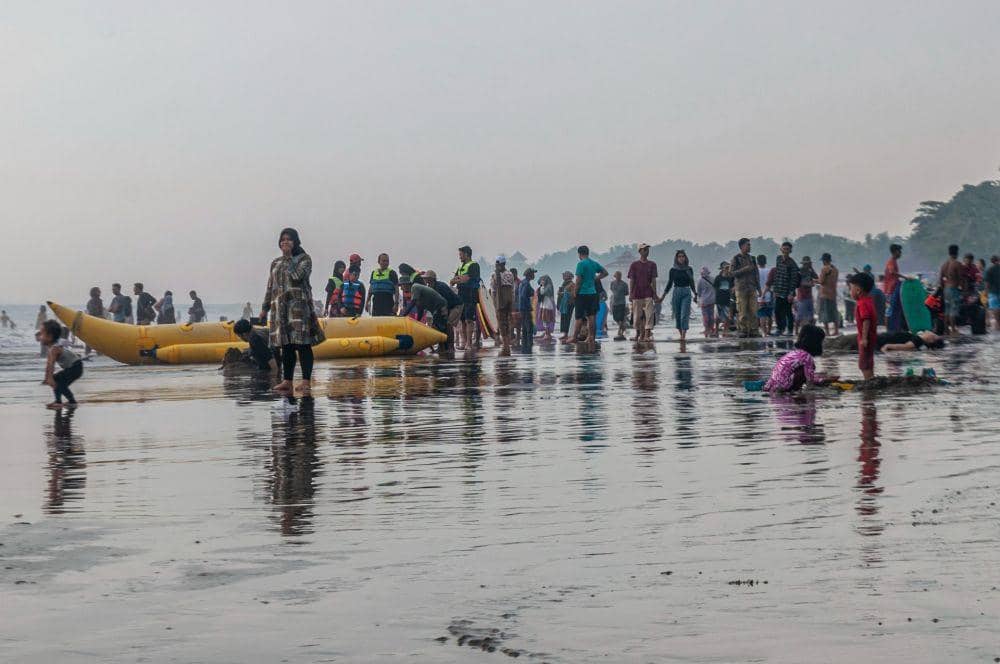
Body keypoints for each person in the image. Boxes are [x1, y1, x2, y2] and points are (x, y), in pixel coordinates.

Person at [260, 228, 325, 394]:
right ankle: (287, 381)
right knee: (286, 345)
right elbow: (270, 287)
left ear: (295, 242)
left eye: (289, 239)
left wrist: (289, 258)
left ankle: (305, 381)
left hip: (298, 309)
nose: (285, 242)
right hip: (280, 310)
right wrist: (264, 309)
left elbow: (297, 276)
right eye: (282, 240)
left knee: (302, 344)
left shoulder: (304, 259)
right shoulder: (275, 263)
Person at [763, 324, 833, 392]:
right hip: (783, 387)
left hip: (771, 385)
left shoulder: (794, 353)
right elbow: (809, 381)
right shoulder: (807, 357)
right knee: (809, 369)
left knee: (808, 369)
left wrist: (820, 379)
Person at [566, 245, 607, 345]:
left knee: (579, 317)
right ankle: (591, 337)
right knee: (591, 316)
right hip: (592, 293)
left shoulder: (581, 264)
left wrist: (575, 292)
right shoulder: (593, 263)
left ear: (579, 254)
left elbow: (579, 280)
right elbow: (605, 273)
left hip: (582, 294)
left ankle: (575, 337)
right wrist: (595, 279)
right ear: (587, 253)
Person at [39, 320, 84, 409]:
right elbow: (48, 365)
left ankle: (71, 402)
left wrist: (50, 378)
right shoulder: (52, 348)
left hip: (76, 367)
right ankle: (59, 401)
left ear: (50, 336)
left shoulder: (55, 349)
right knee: (57, 380)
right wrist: (47, 378)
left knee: (59, 383)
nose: (40, 337)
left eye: (41, 334)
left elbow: (51, 365)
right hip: (74, 367)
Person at [659, 250, 697, 343]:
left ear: (685, 258)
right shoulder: (673, 270)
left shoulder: (689, 269)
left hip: (686, 291)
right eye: (679, 256)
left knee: (685, 314)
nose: (681, 258)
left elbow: (692, 282)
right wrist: (663, 296)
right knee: (678, 314)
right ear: (676, 258)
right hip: (676, 291)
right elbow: (669, 283)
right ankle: (681, 333)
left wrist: (695, 294)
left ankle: (683, 335)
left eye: (683, 256)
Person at [450, 246, 481, 350]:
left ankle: (469, 343)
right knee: (462, 320)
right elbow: (453, 280)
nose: (460, 257)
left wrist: (457, 280)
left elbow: (466, 278)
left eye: (461, 254)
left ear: (467, 254)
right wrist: (457, 279)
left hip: (471, 295)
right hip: (461, 295)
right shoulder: (460, 267)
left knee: (469, 319)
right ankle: (463, 343)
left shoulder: (474, 265)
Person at [627, 242, 658, 341]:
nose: (646, 251)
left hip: (648, 292)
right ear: (640, 251)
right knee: (637, 316)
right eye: (644, 249)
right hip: (637, 293)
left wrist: (655, 293)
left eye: (647, 249)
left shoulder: (652, 264)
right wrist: (631, 293)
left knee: (649, 315)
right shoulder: (634, 265)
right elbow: (631, 279)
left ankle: (646, 335)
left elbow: (653, 280)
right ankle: (639, 333)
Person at [849, 272, 877, 380]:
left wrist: (864, 338)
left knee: (864, 364)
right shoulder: (869, 301)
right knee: (868, 362)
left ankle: (868, 382)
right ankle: (871, 379)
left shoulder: (862, 303)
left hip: (866, 338)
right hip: (871, 337)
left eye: (851, 288)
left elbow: (866, 320)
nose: (850, 291)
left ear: (858, 290)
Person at [424, 270, 462, 351]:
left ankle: (451, 346)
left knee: (448, 323)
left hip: (455, 306)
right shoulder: (430, 287)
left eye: (426, 278)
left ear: (431, 279)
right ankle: (442, 346)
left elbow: (446, 301)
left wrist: (445, 313)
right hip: (444, 307)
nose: (425, 280)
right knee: (438, 325)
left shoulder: (440, 286)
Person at [731, 238, 761, 337]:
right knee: (742, 311)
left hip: (752, 287)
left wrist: (759, 288)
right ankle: (743, 330)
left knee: (754, 311)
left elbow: (756, 273)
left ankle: (753, 330)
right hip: (741, 288)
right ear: (742, 246)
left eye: (749, 245)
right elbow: (732, 273)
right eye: (748, 245)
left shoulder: (752, 259)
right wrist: (744, 269)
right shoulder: (736, 258)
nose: (749, 246)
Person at [770, 241, 800, 336]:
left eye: (787, 249)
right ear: (781, 249)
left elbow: (794, 280)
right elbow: (777, 275)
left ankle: (790, 330)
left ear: (790, 250)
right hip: (778, 290)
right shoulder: (778, 259)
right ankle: (780, 328)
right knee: (777, 311)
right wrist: (775, 289)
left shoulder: (792, 264)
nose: (785, 250)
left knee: (788, 312)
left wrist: (791, 293)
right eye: (784, 248)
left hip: (787, 292)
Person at [939, 245, 964, 336]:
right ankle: (953, 329)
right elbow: (961, 278)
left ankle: (946, 329)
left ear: (949, 253)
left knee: (947, 310)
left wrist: (943, 288)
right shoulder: (957, 264)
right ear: (957, 252)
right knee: (953, 310)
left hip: (946, 289)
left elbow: (940, 279)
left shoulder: (944, 264)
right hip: (954, 289)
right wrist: (962, 290)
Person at [817, 253, 840, 336]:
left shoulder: (824, 269)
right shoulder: (835, 269)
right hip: (833, 294)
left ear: (824, 260)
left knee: (824, 314)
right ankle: (836, 331)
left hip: (825, 294)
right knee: (834, 313)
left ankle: (827, 332)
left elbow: (821, 281)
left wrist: (814, 280)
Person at [884, 244, 905, 332]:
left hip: (894, 288)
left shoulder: (894, 261)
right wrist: (905, 277)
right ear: (895, 251)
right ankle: (890, 330)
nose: (901, 253)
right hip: (891, 290)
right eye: (900, 251)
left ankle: (896, 329)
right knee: (891, 310)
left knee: (896, 309)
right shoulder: (891, 261)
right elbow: (892, 272)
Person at [794, 256, 817, 333]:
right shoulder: (799, 271)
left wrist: (812, 268)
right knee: (799, 316)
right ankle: (796, 331)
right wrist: (809, 284)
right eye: (806, 264)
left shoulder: (810, 271)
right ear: (803, 264)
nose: (807, 265)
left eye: (809, 263)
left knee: (811, 316)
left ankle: (811, 331)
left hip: (809, 296)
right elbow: (799, 283)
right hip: (802, 296)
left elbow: (816, 277)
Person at [516, 268, 536, 350]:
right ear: (529, 275)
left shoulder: (522, 283)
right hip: (525, 307)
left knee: (524, 326)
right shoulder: (526, 283)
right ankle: (529, 342)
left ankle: (525, 342)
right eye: (533, 274)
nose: (534, 275)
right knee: (529, 326)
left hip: (522, 307)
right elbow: (524, 295)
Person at [714, 261, 734, 337]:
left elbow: (734, 286)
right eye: (726, 268)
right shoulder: (718, 278)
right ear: (722, 269)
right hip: (719, 299)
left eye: (728, 268)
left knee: (727, 316)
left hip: (727, 299)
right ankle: (716, 330)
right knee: (717, 316)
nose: (727, 269)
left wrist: (733, 290)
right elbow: (715, 287)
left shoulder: (731, 278)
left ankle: (725, 331)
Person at [608, 271, 629, 341]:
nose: (618, 277)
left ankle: (620, 332)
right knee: (615, 317)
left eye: (619, 275)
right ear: (615, 276)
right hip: (614, 303)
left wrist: (620, 294)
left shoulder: (624, 284)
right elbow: (612, 290)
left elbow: (627, 293)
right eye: (617, 275)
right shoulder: (612, 283)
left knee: (620, 318)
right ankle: (623, 327)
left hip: (621, 303)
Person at [697, 266, 716, 337]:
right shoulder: (713, 279)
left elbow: (699, 292)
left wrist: (699, 299)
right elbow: (716, 288)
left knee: (705, 315)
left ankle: (706, 329)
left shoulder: (700, 280)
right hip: (712, 300)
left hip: (704, 301)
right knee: (711, 315)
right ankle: (712, 328)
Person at [557, 271, 577, 341]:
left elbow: (573, 294)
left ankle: (567, 334)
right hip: (564, 305)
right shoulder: (564, 284)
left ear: (568, 276)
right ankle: (565, 334)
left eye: (565, 275)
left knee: (568, 319)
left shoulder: (572, 284)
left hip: (569, 304)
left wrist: (563, 293)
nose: (563, 276)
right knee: (564, 319)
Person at [756, 254, 773, 336]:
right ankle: (769, 331)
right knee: (769, 315)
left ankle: (764, 332)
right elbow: (771, 283)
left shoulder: (756, 272)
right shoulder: (769, 270)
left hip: (759, 296)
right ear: (765, 261)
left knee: (762, 315)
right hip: (769, 295)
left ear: (757, 262)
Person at [536, 275, 556, 340]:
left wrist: (541, 287)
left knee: (546, 318)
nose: (541, 282)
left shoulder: (548, 287)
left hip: (547, 304)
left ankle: (548, 334)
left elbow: (543, 293)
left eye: (543, 280)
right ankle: (546, 332)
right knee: (544, 318)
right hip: (545, 303)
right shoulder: (546, 286)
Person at [985, 255, 1000, 330]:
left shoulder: (989, 270)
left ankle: (998, 323)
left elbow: (987, 283)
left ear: (991, 261)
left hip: (993, 292)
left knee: (995, 307)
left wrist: (986, 293)